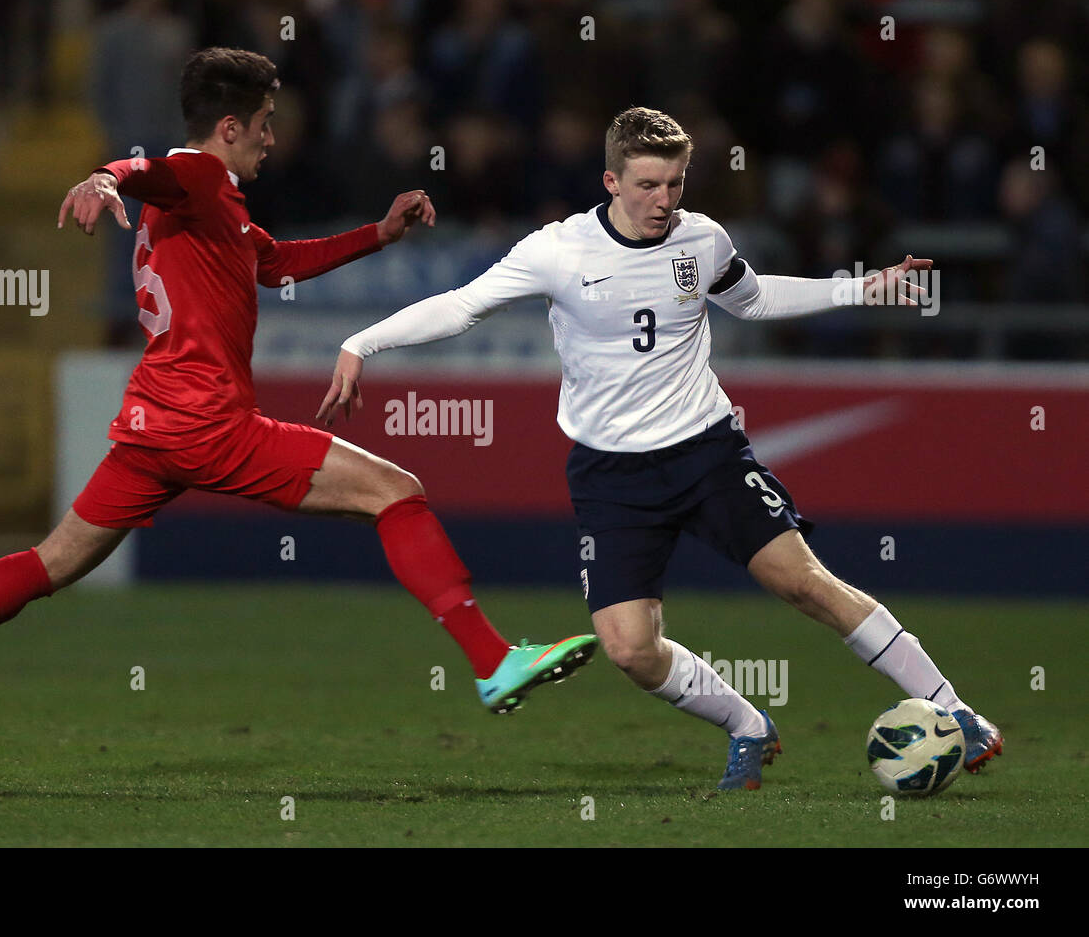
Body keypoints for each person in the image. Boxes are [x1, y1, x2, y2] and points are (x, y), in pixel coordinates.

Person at [0, 48, 596, 738]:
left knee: (49, 561)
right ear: (229, 126)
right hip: (209, 421)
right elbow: (142, 169)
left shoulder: (214, 207)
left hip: (151, 426)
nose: (271, 136)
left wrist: (378, 234)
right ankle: (492, 660)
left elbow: (275, 262)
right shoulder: (194, 175)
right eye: (262, 123)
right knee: (398, 490)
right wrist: (102, 176)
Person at [319, 107, 1003, 791]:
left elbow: (755, 300)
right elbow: (461, 306)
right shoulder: (559, 250)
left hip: (706, 452)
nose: (664, 200)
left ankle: (957, 709)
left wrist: (861, 286)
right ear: (612, 180)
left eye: (675, 183)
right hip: (609, 475)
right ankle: (747, 724)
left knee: (805, 583)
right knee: (629, 649)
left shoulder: (701, 241)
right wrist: (361, 343)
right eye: (648, 184)